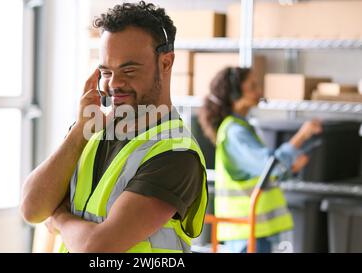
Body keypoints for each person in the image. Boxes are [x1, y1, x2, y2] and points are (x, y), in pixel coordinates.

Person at [20, 1, 208, 253]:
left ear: (165, 63)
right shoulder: (90, 132)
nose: (114, 84)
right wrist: (79, 132)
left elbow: (97, 247)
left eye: (128, 70)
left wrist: (59, 217)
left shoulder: (175, 153)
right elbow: (32, 209)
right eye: (106, 72)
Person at [199, 67, 322, 253]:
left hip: (250, 231)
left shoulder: (239, 127)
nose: (260, 92)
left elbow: (258, 173)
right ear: (234, 94)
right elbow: (268, 166)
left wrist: (289, 168)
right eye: (252, 86)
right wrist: (302, 136)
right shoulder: (235, 132)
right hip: (246, 233)